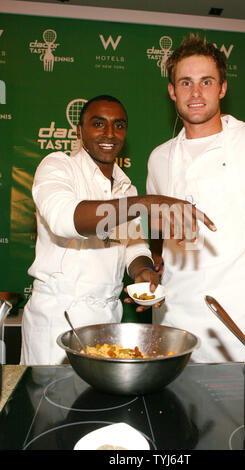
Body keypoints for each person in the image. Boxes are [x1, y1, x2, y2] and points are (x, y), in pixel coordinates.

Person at [21, 94, 215, 365]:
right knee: (51, 405)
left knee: (99, 406)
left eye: (119, 125)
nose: (109, 133)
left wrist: (143, 272)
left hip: (108, 321)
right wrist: (147, 203)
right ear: (79, 130)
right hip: (58, 319)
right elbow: (64, 220)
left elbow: (134, 247)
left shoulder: (125, 188)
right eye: (98, 124)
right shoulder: (58, 166)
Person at [146, 34, 245, 362]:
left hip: (239, 324)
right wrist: (152, 268)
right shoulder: (159, 158)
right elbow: (157, 230)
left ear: (223, 88)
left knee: (239, 413)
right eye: (185, 83)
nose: (196, 93)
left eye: (206, 81)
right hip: (172, 325)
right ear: (172, 91)